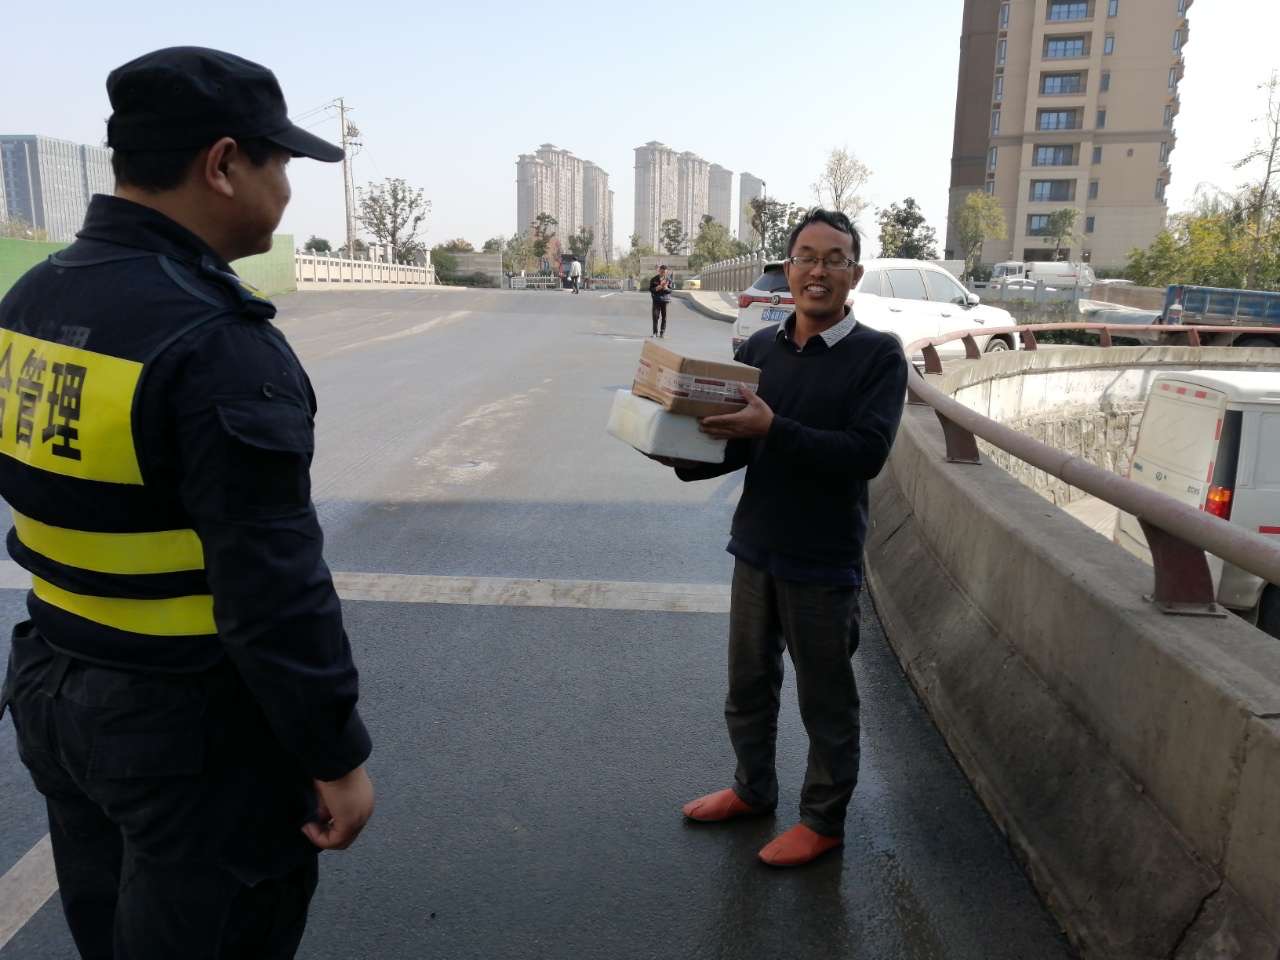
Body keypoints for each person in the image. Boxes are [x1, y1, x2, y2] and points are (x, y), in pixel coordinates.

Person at [0, 47, 374, 957]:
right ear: (223, 164)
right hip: (187, 730)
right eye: (280, 163)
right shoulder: (215, 343)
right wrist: (334, 755)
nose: (286, 188)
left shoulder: (33, 296)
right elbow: (272, 589)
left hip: (53, 686)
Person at [655, 209, 907, 868]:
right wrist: (676, 450)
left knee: (826, 700)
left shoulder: (878, 355)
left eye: (833, 259)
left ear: (854, 273)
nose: (818, 271)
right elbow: (742, 443)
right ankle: (752, 789)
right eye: (806, 257)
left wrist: (774, 429)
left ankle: (822, 821)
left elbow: (865, 453)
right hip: (756, 545)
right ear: (788, 267)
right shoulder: (762, 349)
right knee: (747, 685)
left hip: (823, 558)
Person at [649, 264, 673, 337]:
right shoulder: (654, 279)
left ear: (666, 272)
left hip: (665, 300)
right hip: (656, 300)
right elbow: (650, 289)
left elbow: (670, 290)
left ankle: (662, 332)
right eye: (661, 271)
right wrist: (656, 288)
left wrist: (666, 288)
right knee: (655, 316)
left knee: (664, 317)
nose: (663, 273)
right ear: (659, 271)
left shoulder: (668, 280)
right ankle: (655, 332)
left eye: (664, 272)